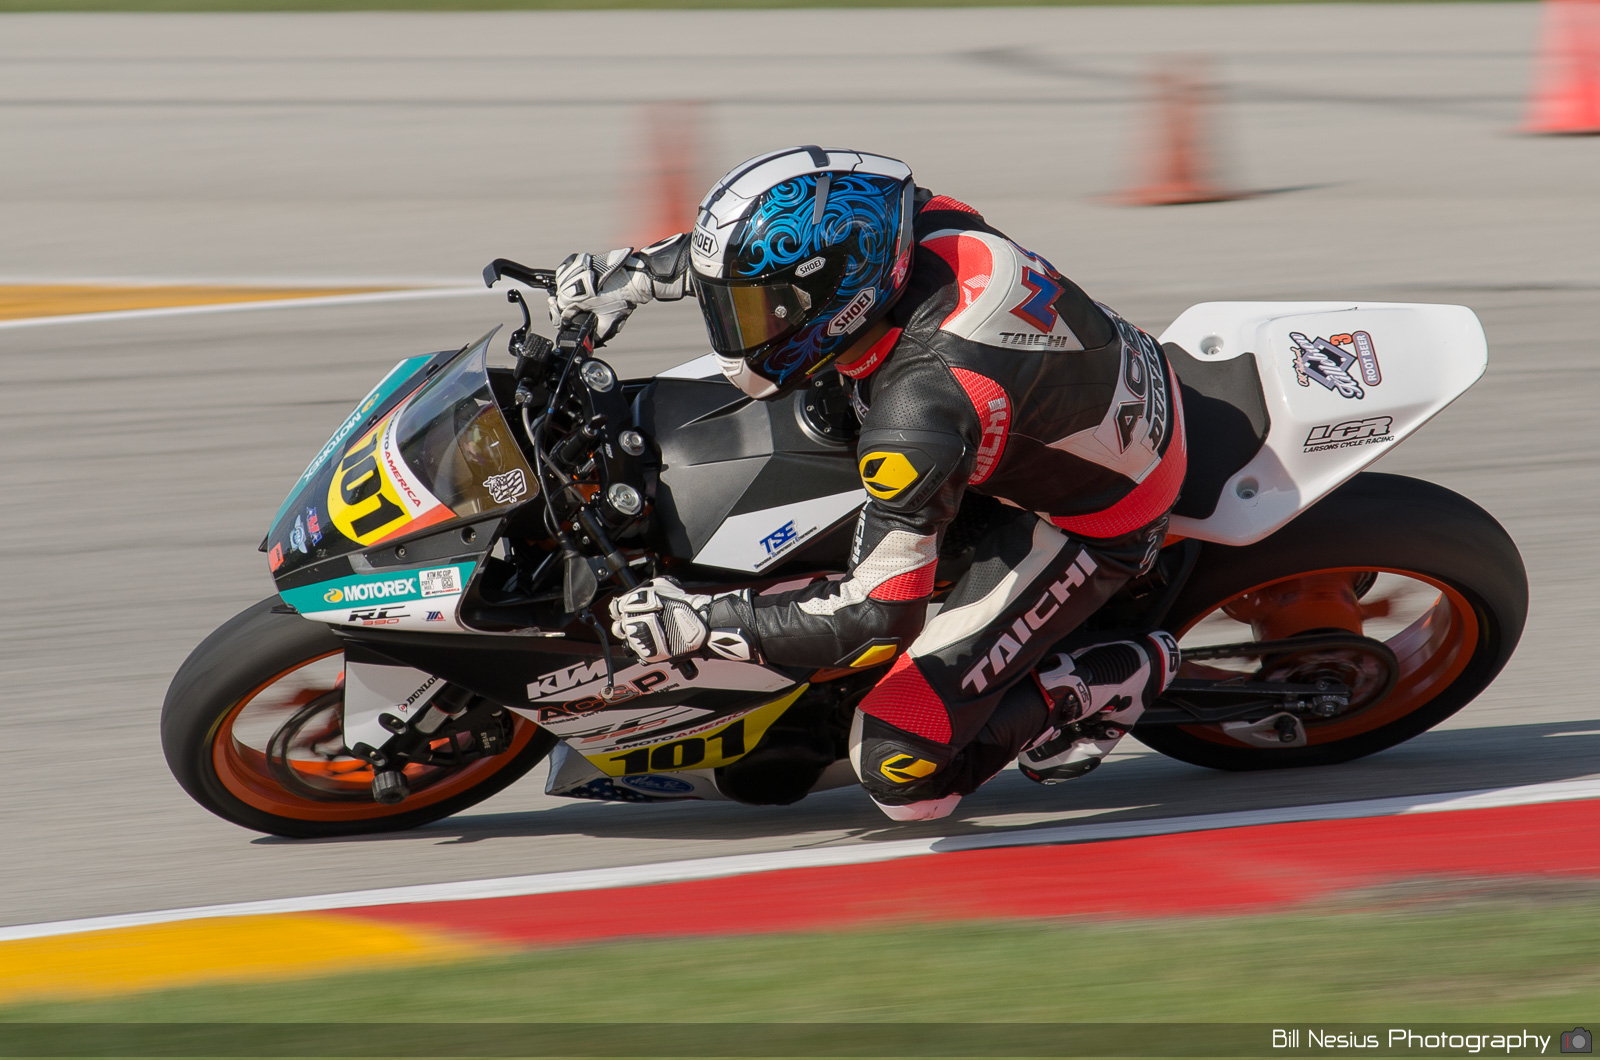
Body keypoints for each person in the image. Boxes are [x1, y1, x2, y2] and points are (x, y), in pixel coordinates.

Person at [553, 146, 1184, 821]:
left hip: (1090, 514)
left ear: (843, 300)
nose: (740, 327)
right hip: (1066, 395)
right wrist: (636, 275)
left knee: (901, 771)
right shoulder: (916, 221)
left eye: (763, 309)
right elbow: (775, 251)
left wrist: (703, 621)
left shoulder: (917, 412)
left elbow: (878, 615)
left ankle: (1099, 678)